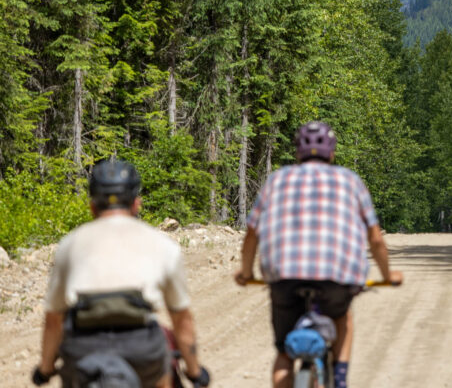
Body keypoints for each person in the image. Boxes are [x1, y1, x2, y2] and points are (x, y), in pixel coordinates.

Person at [235, 121, 403, 388]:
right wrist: (388, 274)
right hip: (336, 278)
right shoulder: (350, 180)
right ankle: (339, 379)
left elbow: (251, 235)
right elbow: (375, 239)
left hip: (284, 278)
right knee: (342, 315)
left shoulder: (276, 180)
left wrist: (246, 273)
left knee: (283, 352)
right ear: (332, 152)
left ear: (297, 153)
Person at [33, 158, 209, 388]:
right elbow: (180, 318)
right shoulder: (162, 245)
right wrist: (194, 371)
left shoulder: (70, 245)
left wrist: (45, 369)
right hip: (142, 350)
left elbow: (54, 319)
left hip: (83, 350)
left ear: (92, 206)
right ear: (136, 204)